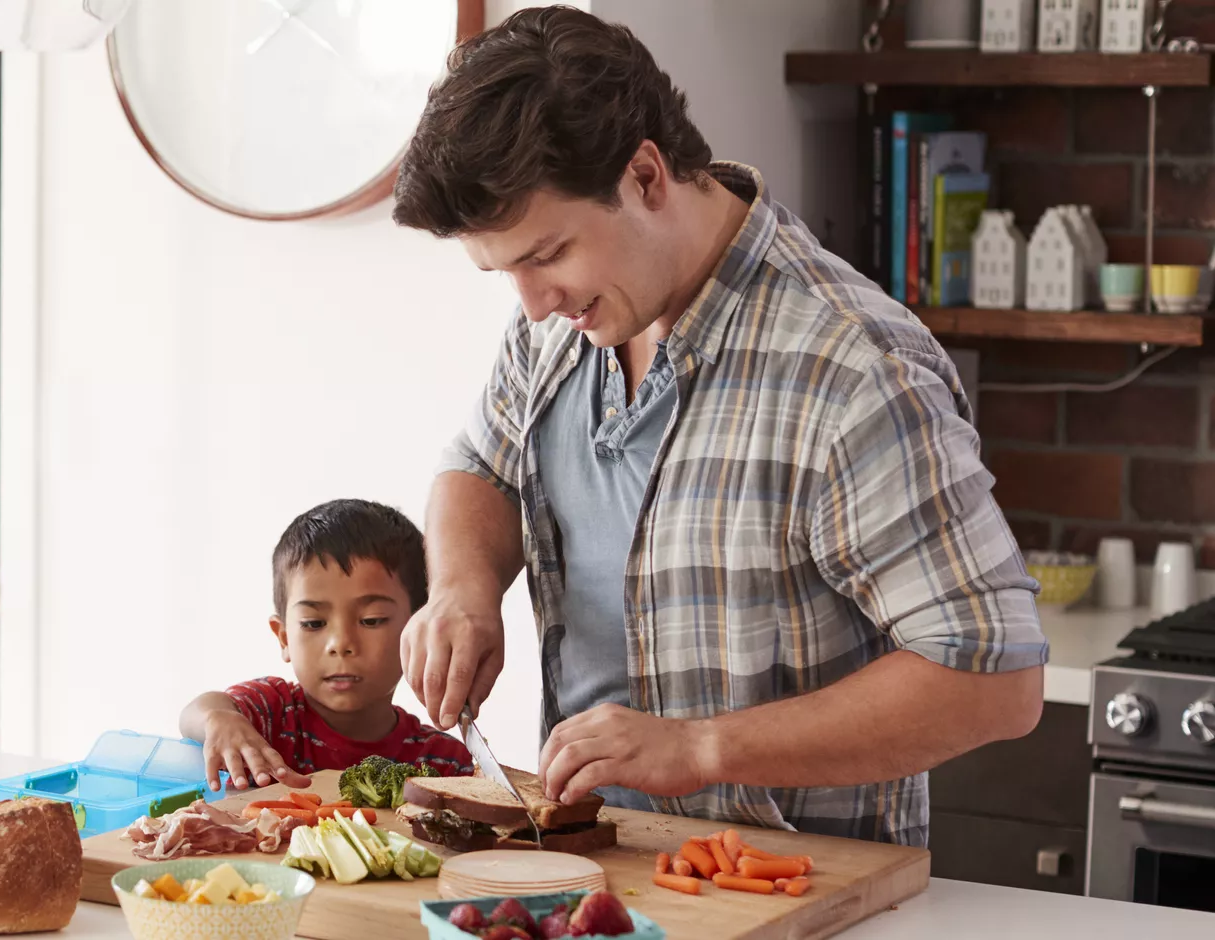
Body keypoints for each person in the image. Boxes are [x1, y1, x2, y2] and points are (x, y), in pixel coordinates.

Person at [389, 6, 1048, 845]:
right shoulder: (560, 324)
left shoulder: (851, 372)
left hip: (792, 899)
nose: (534, 303)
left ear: (645, 176)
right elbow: (481, 466)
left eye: (547, 254)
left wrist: (703, 748)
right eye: (504, 270)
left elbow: (992, 678)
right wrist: (462, 587)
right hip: (597, 877)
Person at [180, 499, 474, 792]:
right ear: (283, 637)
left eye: (371, 620)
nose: (340, 644)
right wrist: (219, 719)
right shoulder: (270, 715)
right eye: (313, 623)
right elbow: (196, 713)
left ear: (418, 631)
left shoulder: (442, 763)